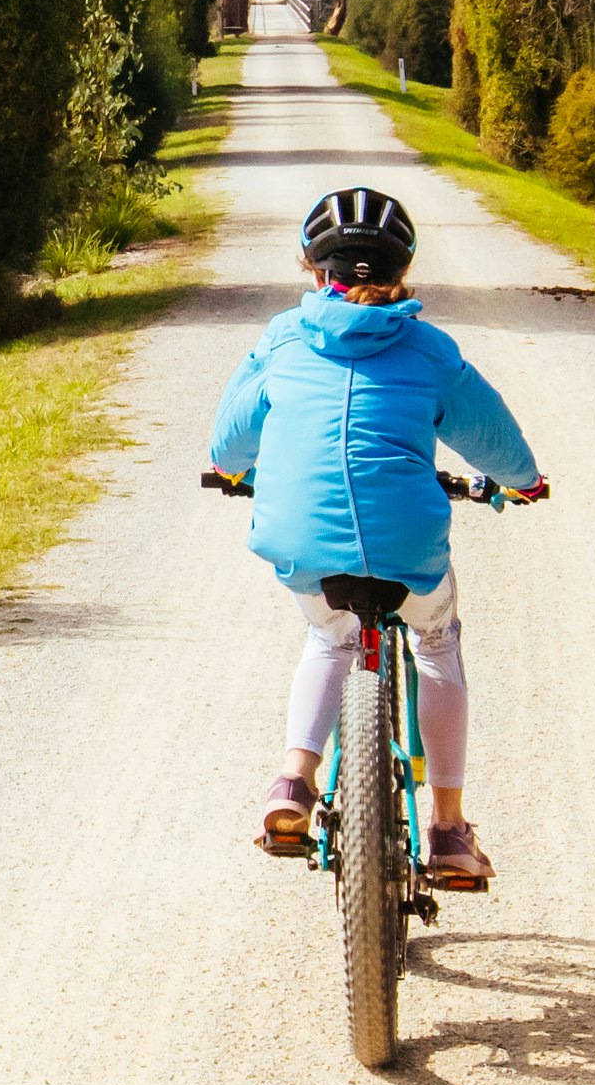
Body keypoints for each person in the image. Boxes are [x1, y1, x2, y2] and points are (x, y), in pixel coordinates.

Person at [200, 179, 542, 895]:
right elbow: (496, 441)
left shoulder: (283, 340)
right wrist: (525, 482)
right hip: (407, 546)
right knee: (437, 642)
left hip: (304, 544)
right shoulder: (429, 349)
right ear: (400, 273)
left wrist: (234, 472)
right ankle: (448, 828)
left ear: (313, 268)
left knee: (328, 636)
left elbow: (229, 444)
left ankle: (293, 782)